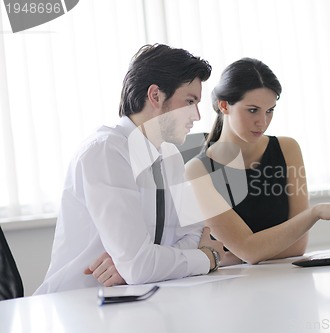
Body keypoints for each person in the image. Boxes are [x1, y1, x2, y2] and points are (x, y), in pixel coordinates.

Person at [35, 44, 224, 294]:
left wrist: (140, 264)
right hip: (78, 306)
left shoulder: (171, 157)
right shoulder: (106, 152)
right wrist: (208, 258)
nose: (197, 115)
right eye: (189, 101)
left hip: (141, 298)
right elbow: (141, 266)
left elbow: (191, 235)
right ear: (155, 95)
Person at [184, 58, 330, 265]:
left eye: (270, 110)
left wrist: (236, 255)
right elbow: (250, 251)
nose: (262, 122)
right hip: (232, 287)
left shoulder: (287, 149)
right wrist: (315, 213)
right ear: (224, 105)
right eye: (252, 110)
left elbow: (297, 247)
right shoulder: (197, 171)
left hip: (283, 280)